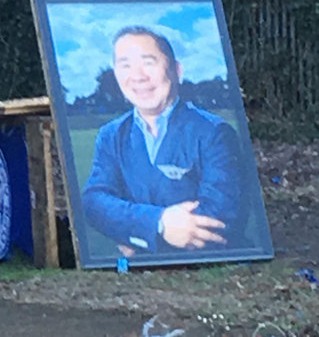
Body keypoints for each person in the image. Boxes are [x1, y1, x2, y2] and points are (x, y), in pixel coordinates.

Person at [81, 26, 241, 257]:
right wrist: (158, 224)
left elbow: (218, 219)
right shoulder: (110, 135)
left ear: (176, 70)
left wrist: (136, 239)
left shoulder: (214, 133)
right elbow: (94, 202)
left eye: (148, 62)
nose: (138, 76)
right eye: (125, 65)